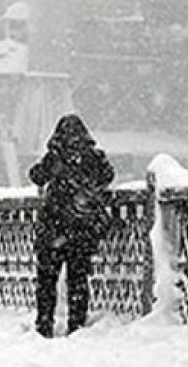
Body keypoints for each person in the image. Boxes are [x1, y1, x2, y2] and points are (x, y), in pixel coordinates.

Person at [28, 114, 114, 338]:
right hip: (81, 230)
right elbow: (108, 176)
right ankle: (76, 325)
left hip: (54, 228)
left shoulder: (55, 157)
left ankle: (44, 324)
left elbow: (36, 176)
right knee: (78, 281)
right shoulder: (93, 157)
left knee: (47, 281)